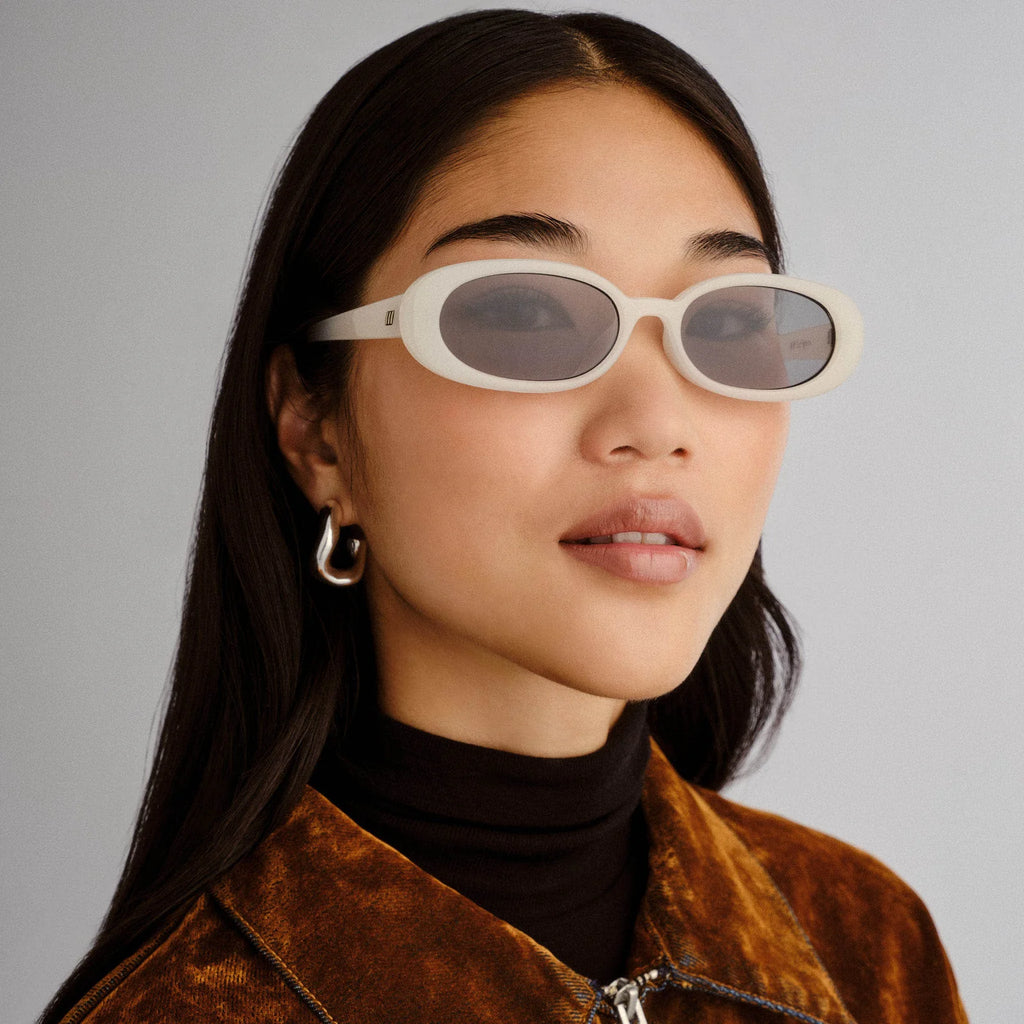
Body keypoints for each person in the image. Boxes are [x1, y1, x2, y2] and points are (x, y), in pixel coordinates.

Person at [41, 9, 966, 1023]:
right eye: (524, 313)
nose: (656, 424)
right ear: (316, 429)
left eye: (729, 321)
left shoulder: (867, 942)